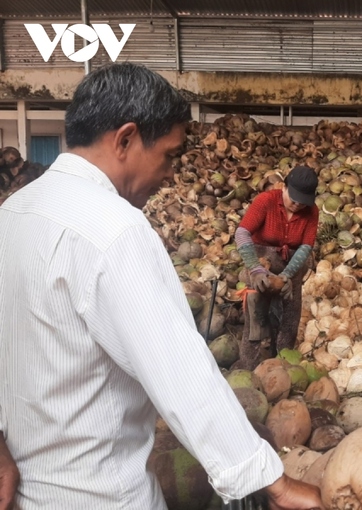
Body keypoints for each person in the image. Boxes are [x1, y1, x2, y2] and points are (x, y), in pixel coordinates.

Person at [0, 63, 323, 509]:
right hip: (102, 497)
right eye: (170, 155)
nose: (171, 173)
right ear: (126, 139)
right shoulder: (116, 229)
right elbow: (182, 372)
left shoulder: (13, 213)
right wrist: (271, 480)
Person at [234, 165, 319, 370]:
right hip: (262, 264)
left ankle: (282, 367)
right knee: (256, 320)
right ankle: (250, 367)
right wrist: (255, 268)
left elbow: (305, 246)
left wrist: (287, 276)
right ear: (284, 188)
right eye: (294, 199)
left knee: (289, 321)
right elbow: (242, 233)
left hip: (292, 268)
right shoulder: (266, 201)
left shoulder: (312, 212)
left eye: (303, 202)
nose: (298, 205)